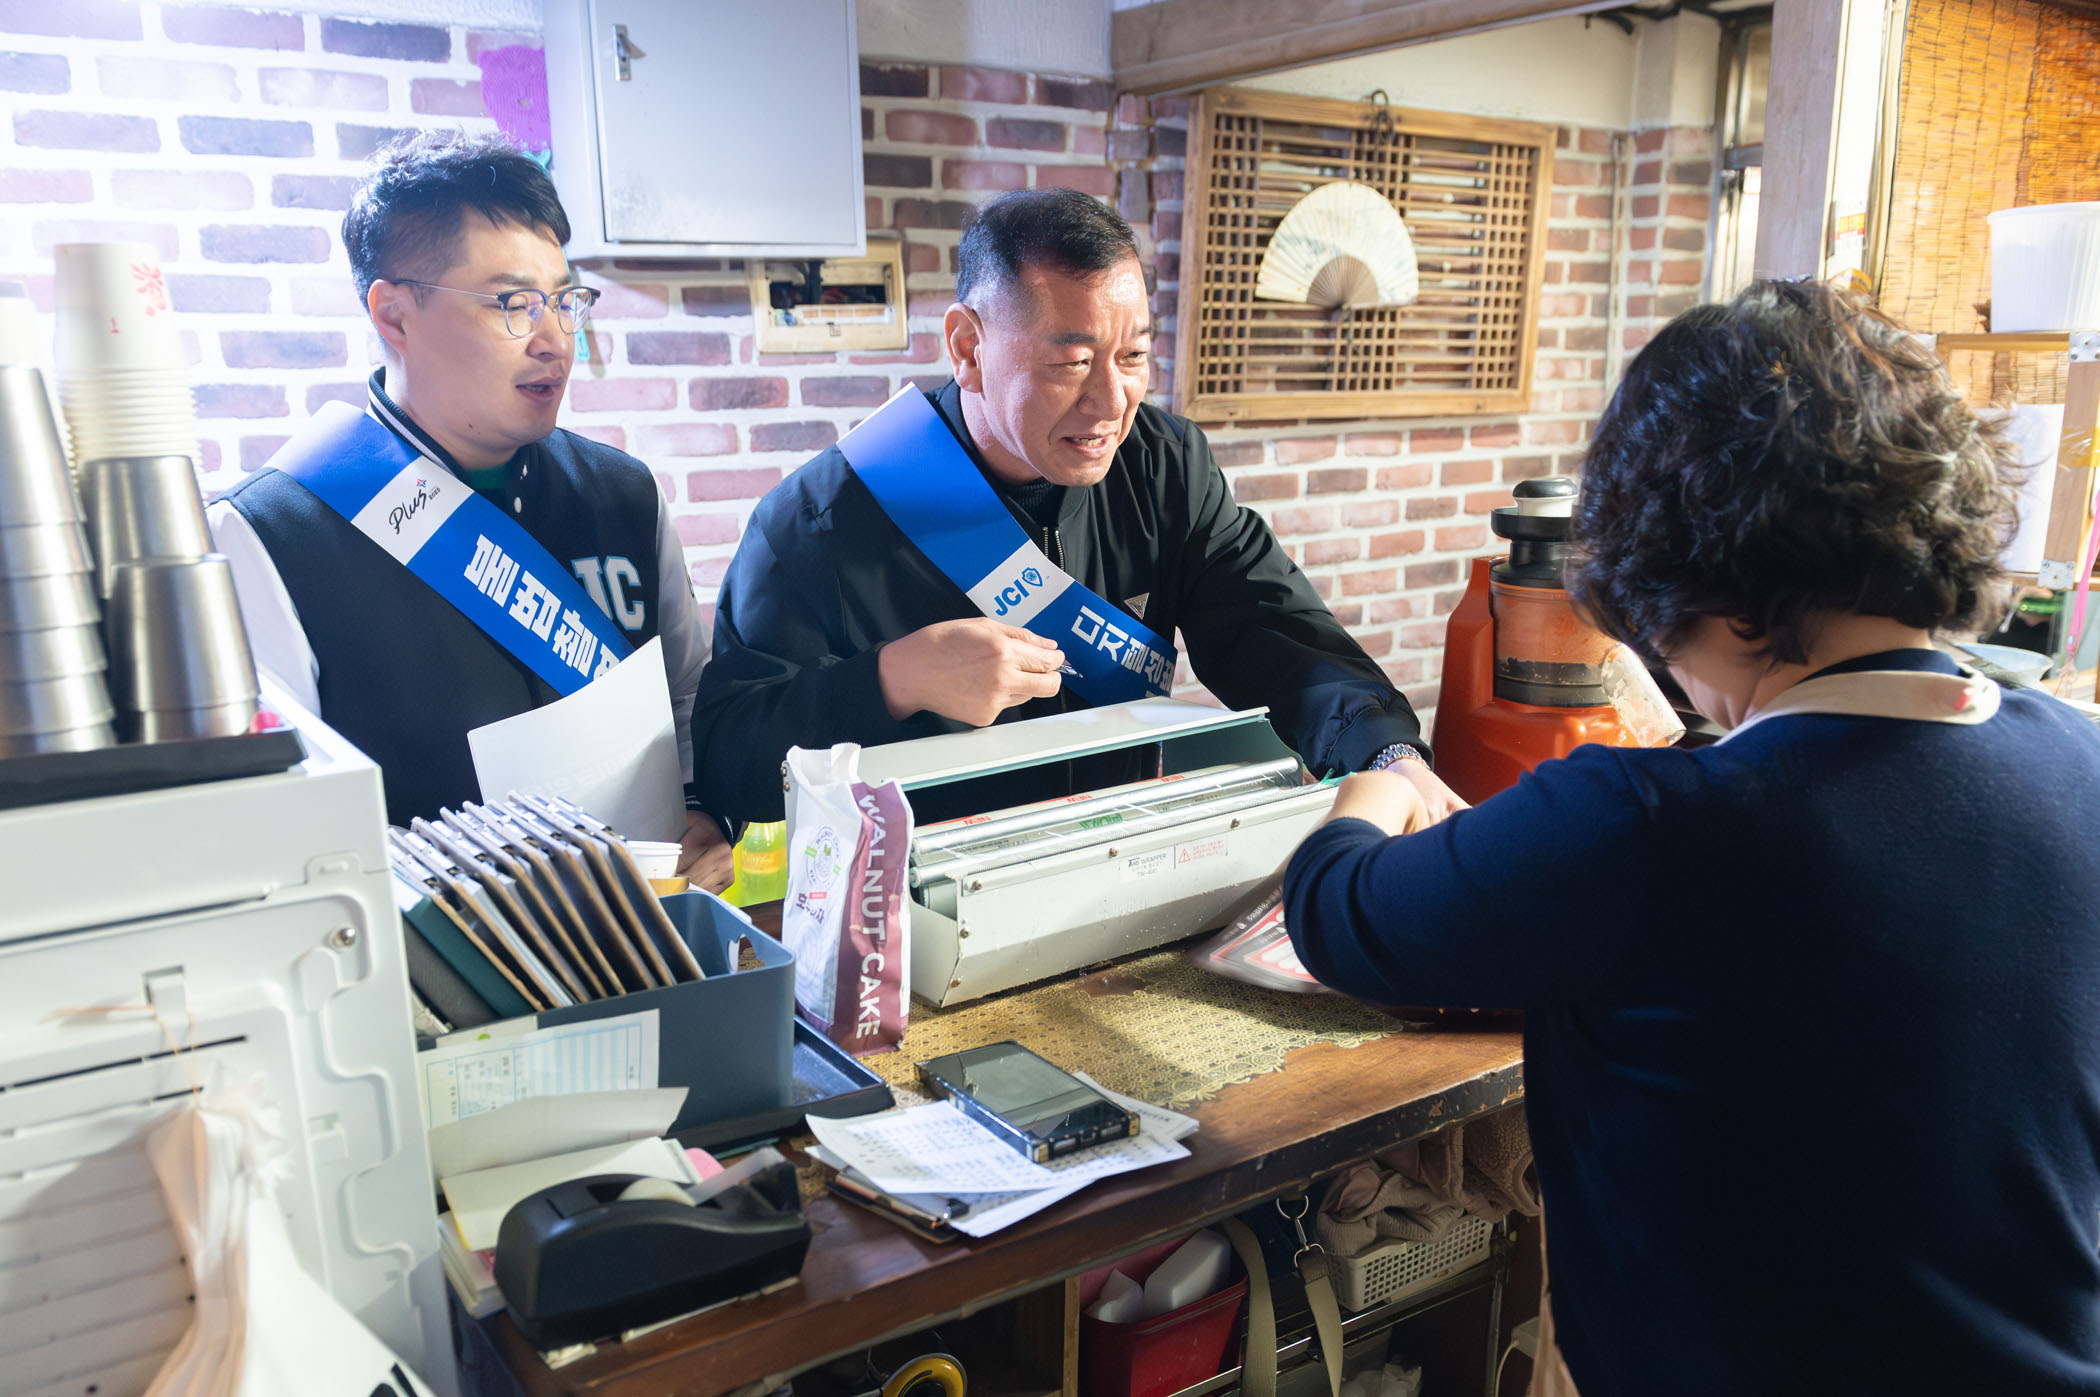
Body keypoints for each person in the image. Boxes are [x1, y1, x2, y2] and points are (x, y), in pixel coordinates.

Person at [1284, 281, 2100, 1394]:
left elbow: (1337, 912)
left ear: (1693, 568)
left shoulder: (1651, 826)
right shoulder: (2078, 760)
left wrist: (1384, 777)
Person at [692, 188, 1426, 824]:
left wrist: (1386, 754)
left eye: (1132, 357)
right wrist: (891, 681)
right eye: (1071, 363)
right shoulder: (818, 519)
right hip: (916, 898)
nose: (1110, 402)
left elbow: (1274, 633)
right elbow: (731, 757)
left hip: (1123, 853)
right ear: (968, 348)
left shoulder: (1166, 467)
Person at [209, 130, 732, 890]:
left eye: (564, 301)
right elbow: (283, 830)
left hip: (653, 925)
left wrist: (705, 811)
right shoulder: (270, 535)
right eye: (513, 304)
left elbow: (688, 699)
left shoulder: (623, 494)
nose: (555, 341)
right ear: (394, 315)